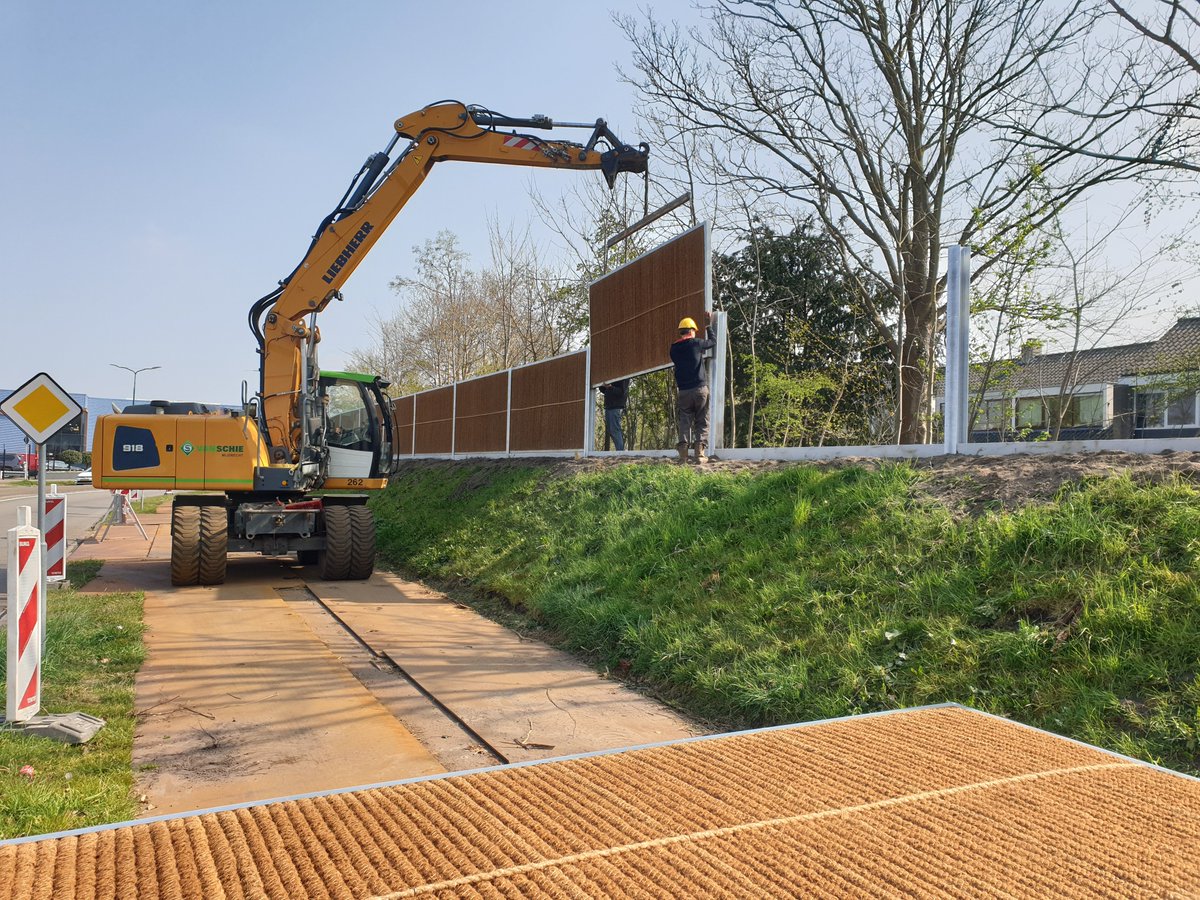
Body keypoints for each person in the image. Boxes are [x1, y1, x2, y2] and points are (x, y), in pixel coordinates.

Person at [669, 312, 715, 464]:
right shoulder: (696, 343)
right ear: (692, 331)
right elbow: (712, 342)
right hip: (699, 389)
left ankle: (683, 456)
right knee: (702, 420)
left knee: (685, 421)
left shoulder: (674, 349)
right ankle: (700, 455)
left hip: (683, 391)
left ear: (681, 331)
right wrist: (708, 325)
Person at [598, 378, 630, 451]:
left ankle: (620, 452)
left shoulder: (624, 376)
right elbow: (604, 390)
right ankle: (620, 451)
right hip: (609, 405)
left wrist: (610, 387)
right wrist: (604, 386)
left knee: (615, 429)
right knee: (612, 430)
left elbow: (622, 392)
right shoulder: (610, 374)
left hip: (616, 406)